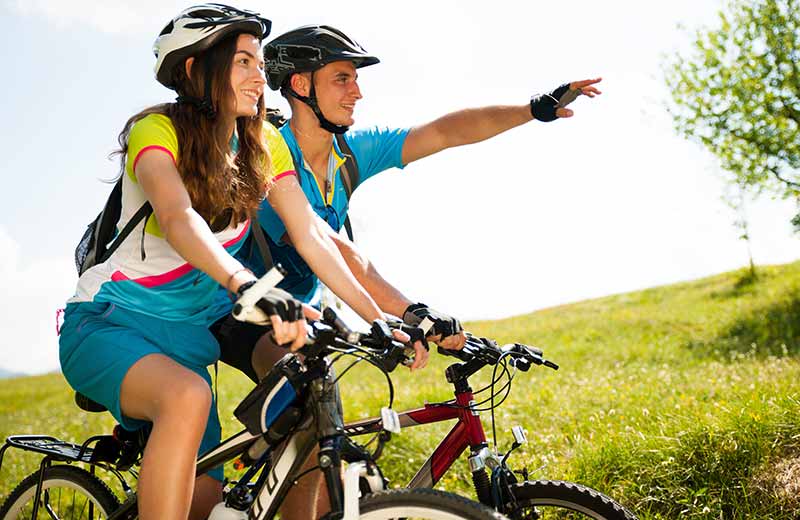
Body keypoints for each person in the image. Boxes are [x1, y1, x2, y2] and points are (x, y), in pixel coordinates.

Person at [58, 5, 311, 519]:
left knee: (202, 504)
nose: (259, 76)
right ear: (195, 70)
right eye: (242, 62)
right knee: (188, 398)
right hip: (106, 326)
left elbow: (316, 238)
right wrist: (248, 286)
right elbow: (177, 217)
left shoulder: (260, 147)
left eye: (259, 63)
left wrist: (391, 317)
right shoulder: (155, 130)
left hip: (186, 345)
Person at [255, 24, 600, 347]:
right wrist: (409, 311)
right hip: (242, 315)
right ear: (301, 86)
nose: (357, 92)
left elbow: (445, 132)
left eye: (355, 79)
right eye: (342, 79)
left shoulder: (353, 152)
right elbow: (332, 248)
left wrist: (531, 110)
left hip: (307, 315)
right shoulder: (269, 155)